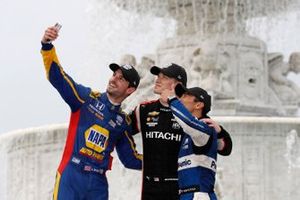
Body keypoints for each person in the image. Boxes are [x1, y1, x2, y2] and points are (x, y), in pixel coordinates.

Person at [40, 25, 142, 200]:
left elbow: (130, 159)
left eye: (121, 78)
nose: (113, 79)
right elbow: (58, 77)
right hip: (71, 175)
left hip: (98, 183)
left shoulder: (122, 121)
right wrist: (47, 45)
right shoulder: (86, 98)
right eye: (114, 75)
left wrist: (166, 161)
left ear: (130, 89)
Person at [130, 63, 232, 200]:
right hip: (150, 187)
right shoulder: (144, 109)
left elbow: (225, 148)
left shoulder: (189, 116)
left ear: (177, 84)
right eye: (158, 76)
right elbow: (119, 131)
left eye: (164, 77)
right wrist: (131, 159)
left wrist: (220, 131)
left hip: (180, 189)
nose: (157, 79)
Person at [161, 84, 218, 200]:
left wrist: (172, 99)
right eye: (180, 96)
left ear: (198, 105)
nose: (180, 98)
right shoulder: (188, 133)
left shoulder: (206, 128)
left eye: (186, 95)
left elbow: (188, 122)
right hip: (187, 195)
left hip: (199, 195)